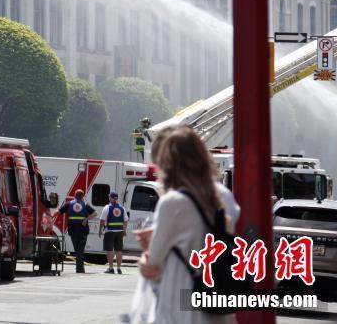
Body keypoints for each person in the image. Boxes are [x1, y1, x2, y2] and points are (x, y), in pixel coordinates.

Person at [135, 125, 240, 324]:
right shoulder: (222, 196)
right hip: (216, 313)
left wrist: (146, 252)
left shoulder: (172, 203)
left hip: (179, 312)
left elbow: (153, 268)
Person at [58, 189, 95, 273]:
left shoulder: (69, 204)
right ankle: (80, 268)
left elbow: (59, 211)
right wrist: (86, 219)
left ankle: (79, 268)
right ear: (82, 196)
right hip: (83, 230)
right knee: (80, 250)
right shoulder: (85, 204)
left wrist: (51, 216)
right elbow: (95, 213)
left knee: (77, 249)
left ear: (74, 195)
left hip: (73, 230)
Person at [99, 191, 128, 274]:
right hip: (120, 232)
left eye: (109, 197)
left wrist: (100, 231)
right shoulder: (122, 208)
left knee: (109, 250)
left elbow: (102, 220)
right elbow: (125, 221)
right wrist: (124, 230)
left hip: (109, 231)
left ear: (111, 198)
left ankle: (111, 268)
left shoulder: (107, 207)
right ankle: (119, 268)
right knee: (119, 250)